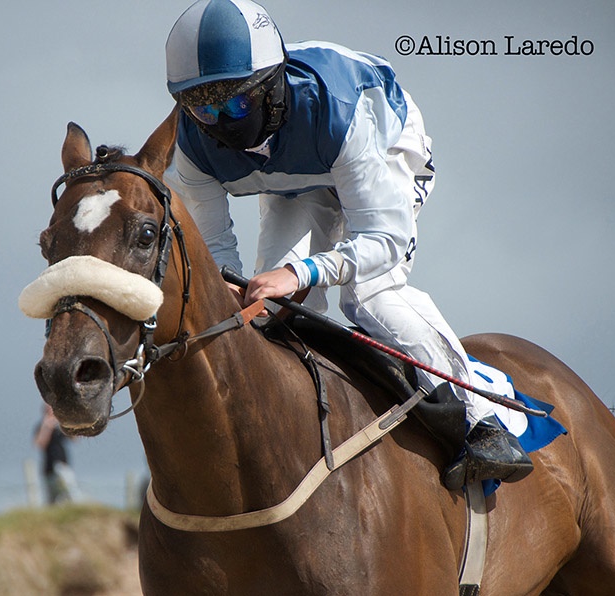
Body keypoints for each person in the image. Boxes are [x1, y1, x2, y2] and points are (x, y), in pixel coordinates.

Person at [163, 0, 532, 490]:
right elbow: (215, 248)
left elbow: (384, 238)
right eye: (204, 106)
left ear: (270, 86)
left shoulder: (339, 111)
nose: (223, 124)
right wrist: (234, 289)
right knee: (270, 310)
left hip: (380, 148)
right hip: (295, 179)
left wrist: (300, 272)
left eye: (237, 103)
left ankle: (485, 422)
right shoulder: (189, 144)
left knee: (368, 296)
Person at [33, 404, 81, 504]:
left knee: (70, 490)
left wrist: (67, 424)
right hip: (49, 466)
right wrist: (46, 427)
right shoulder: (41, 426)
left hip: (62, 463)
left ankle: (75, 508)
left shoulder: (61, 425)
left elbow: (75, 439)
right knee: (51, 497)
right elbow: (40, 444)